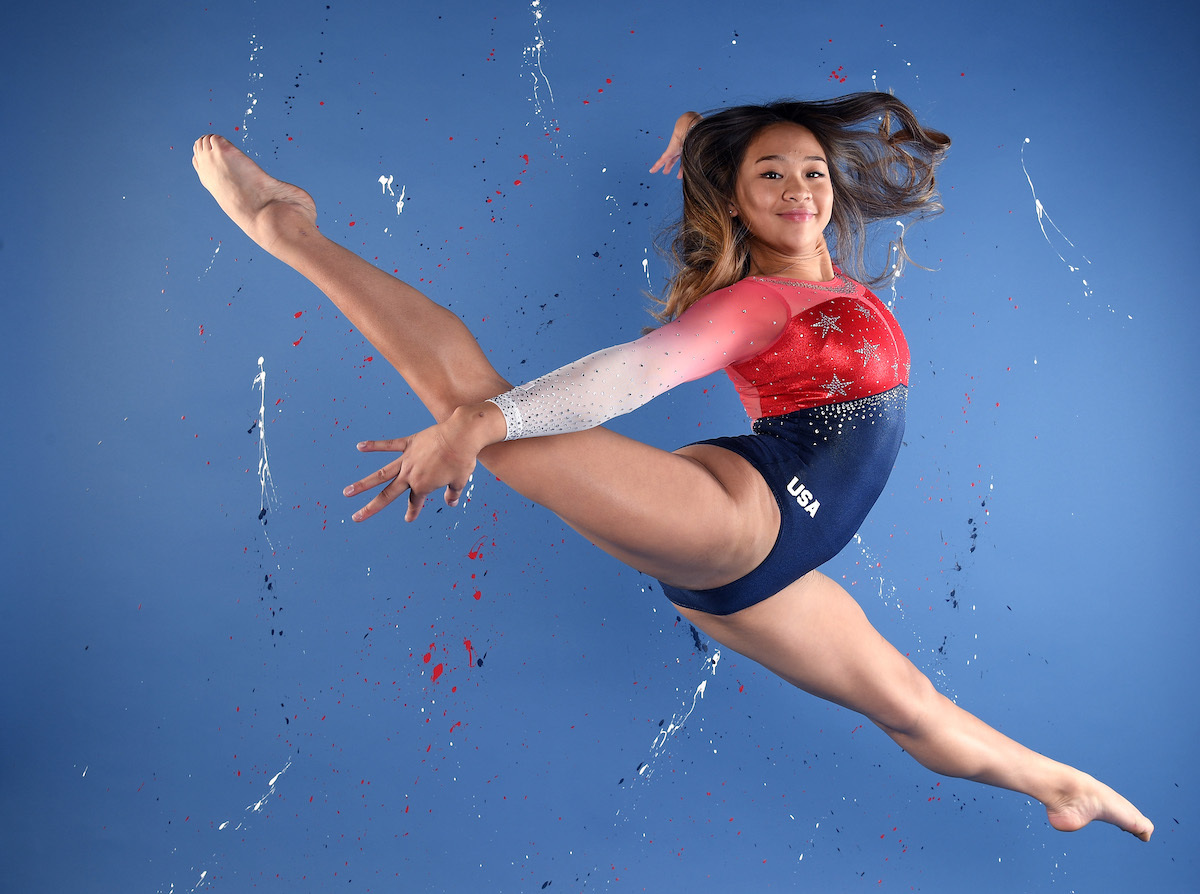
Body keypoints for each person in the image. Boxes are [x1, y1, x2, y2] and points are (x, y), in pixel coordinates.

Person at [192, 91, 1152, 840]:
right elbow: (631, 375)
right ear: (735, 199)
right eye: (770, 176)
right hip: (738, 515)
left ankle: (1061, 786)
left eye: (811, 172)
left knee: (912, 709)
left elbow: (759, 168)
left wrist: (704, 137)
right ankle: (287, 228)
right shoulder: (757, 303)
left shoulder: (830, 278)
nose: (799, 190)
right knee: (480, 407)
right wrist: (480, 425)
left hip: (770, 569)